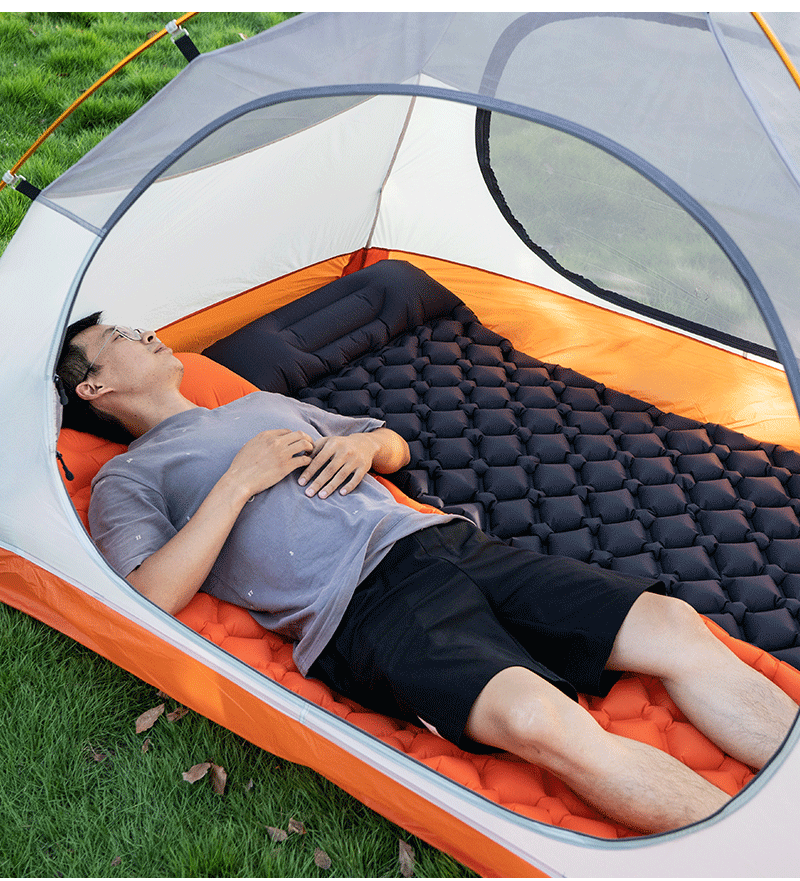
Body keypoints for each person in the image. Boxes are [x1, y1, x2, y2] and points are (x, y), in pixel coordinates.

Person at [56, 308, 798, 836]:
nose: (144, 332)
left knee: (672, 624)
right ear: (93, 388)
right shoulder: (130, 476)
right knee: (538, 720)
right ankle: (750, 855)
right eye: (119, 338)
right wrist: (238, 482)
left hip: (443, 541)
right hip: (362, 611)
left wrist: (366, 447)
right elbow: (150, 594)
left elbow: (394, 447)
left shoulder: (258, 403)